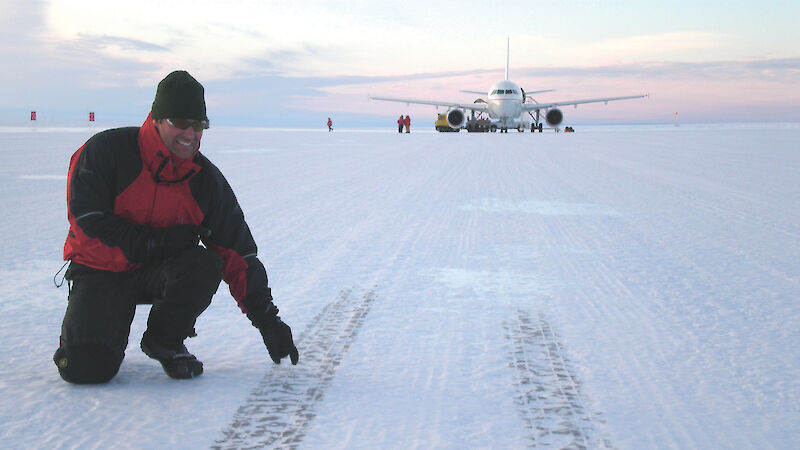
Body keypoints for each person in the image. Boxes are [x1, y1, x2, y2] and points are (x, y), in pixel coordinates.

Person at [53, 70, 299, 384]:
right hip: (102, 269)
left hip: (157, 273)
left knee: (205, 263)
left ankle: (165, 340)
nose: (191, 133)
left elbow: (239, 254)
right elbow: (88, 222)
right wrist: (157, 243)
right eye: (181, 123)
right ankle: (92, 329)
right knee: (87, 369)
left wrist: (267, 320)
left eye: (199, 125)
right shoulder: (105, 153)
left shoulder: (205, 181)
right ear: (157, 119)